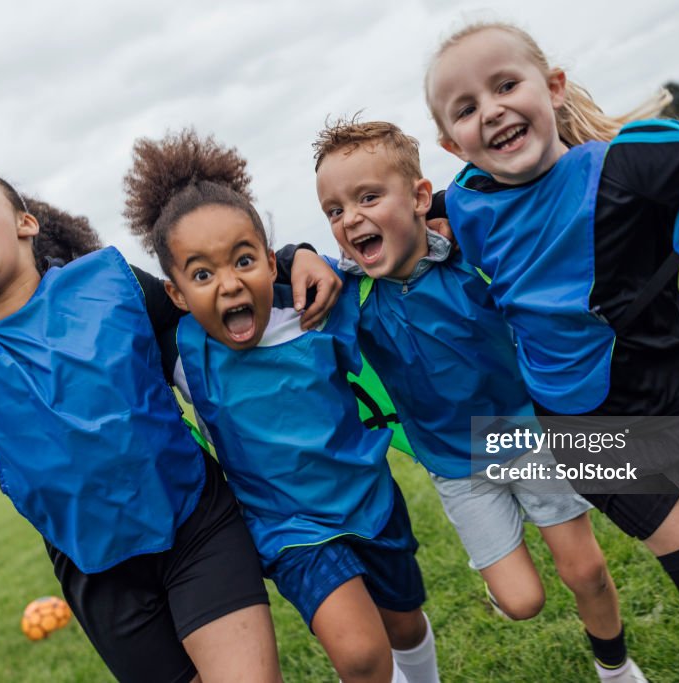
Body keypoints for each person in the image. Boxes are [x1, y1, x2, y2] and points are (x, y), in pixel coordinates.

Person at [423, 21, 679, 683]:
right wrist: (298, 257)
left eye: (506, 85)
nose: (492, 110)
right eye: (467, 108)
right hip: (586, 428)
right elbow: (386, 215)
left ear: (553, 87)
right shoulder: (465, 207)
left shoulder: (624, 170)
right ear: (454, 144)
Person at [0, 162, 342, 683]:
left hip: (195, 525)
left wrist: (296, 257)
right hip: (98, 576)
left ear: (25, 222)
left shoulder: (114, 284)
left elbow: (213, 288)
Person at [312, 117, 646, 683]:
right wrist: (300, 252)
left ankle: (615, 667)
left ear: (421, 198)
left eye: (368, 197)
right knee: (523, 602)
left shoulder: (475, 255)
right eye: (335, 210)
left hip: (530, 434)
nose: (351, 219)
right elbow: (268, 280)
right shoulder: (349, 296)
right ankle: (502, 585)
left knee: (584, 569)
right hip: (456, 466)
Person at [122, 129, 440, 683]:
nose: (227, 284)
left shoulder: (320, 304)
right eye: (201, 274)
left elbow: (398, 265)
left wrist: (307, 254)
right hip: (289, 530)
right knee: (363, 654)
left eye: (243, 260)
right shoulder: (182, 353)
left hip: (372, 502)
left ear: (271, 263)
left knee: (405, 626)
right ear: (176, 296)